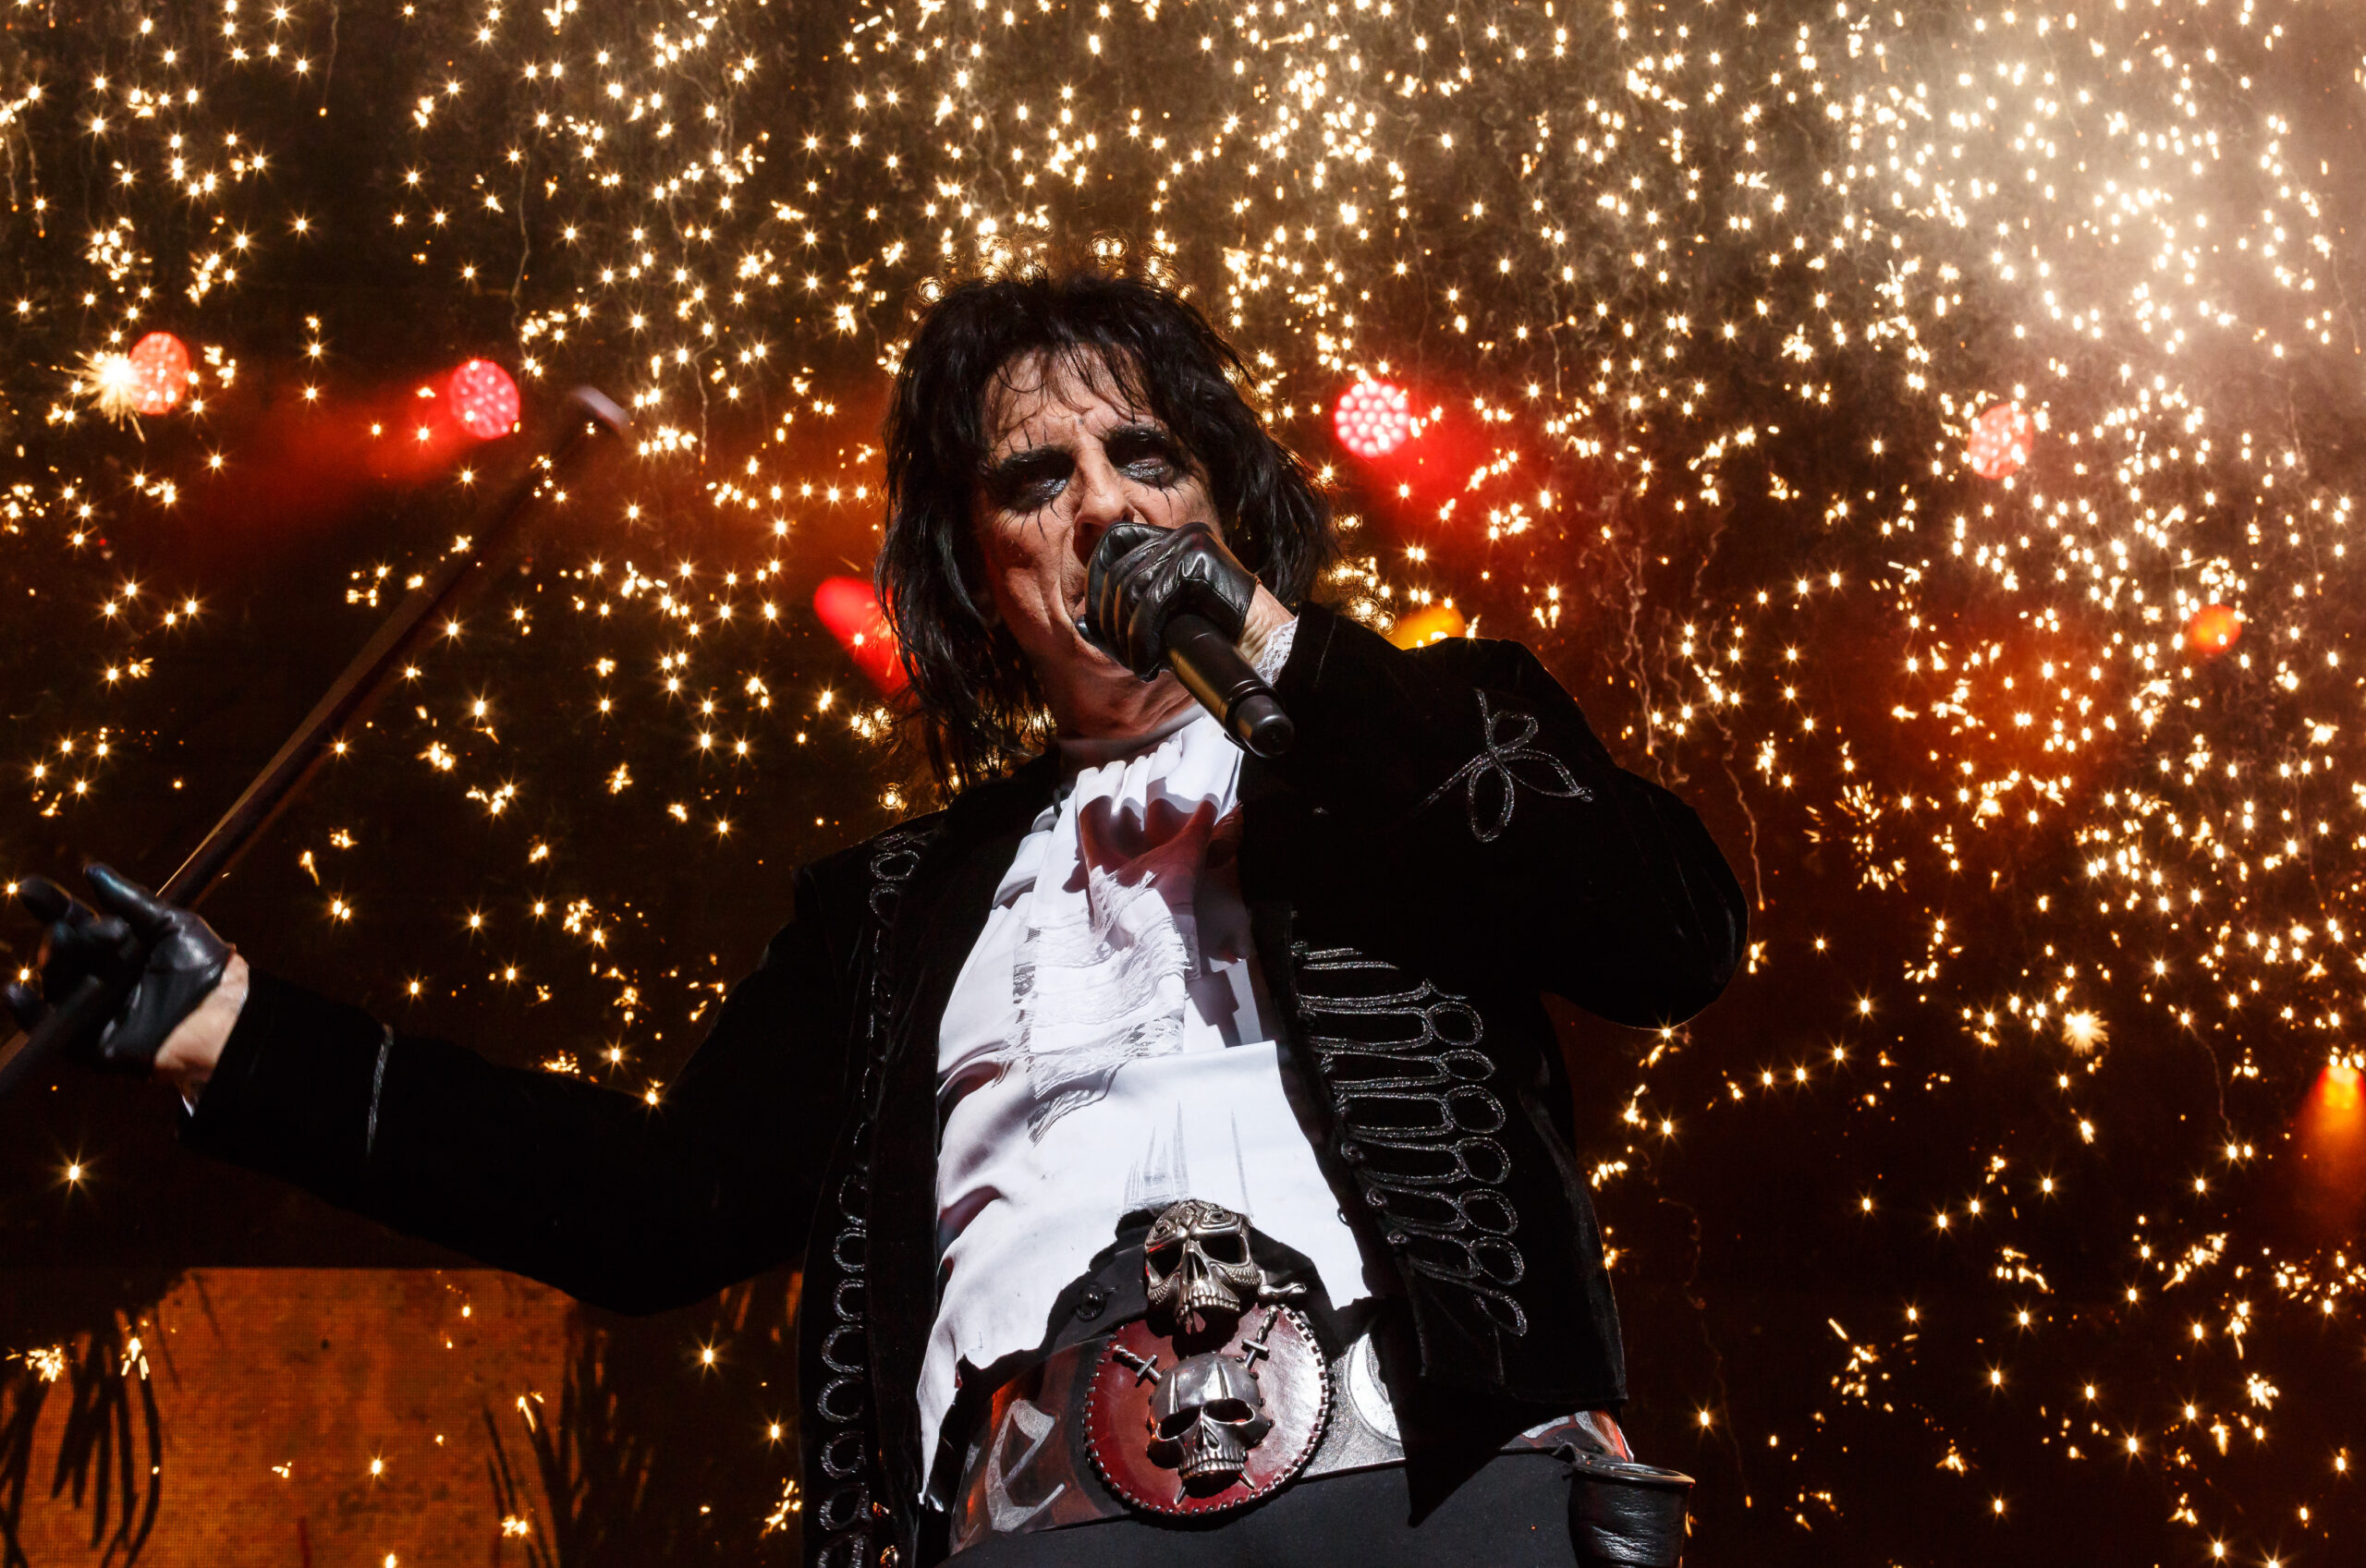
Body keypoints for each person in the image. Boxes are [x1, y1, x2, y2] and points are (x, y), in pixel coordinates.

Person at [7, 266, 1747, 1568]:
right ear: (980, 577)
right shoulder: (896, 911)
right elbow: (650, 1209)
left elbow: (1668, 938)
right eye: (1035, 479)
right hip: (1043, 1530)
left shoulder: (1421, 742)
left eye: (1146, 455)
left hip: (1441, 1501)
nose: (1106, 504)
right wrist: (236, 1034)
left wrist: (1280, 652)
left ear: (1225, 501)